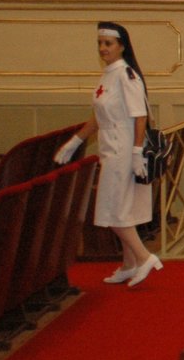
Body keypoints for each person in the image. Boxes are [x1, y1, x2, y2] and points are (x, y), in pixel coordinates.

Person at [53, 22, 160, 286]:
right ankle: (129, 264)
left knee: (113, 209)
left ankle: (144, 257)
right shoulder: (108, 74)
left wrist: (136, 152)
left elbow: (140, 117)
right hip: (111, 146)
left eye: (108, 44)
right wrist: (75, 141)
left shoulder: (126, 75)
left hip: (124, 149)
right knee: (123, 208)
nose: (103, 48)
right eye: (100, 43)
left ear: (122, 46)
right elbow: (100, 117)